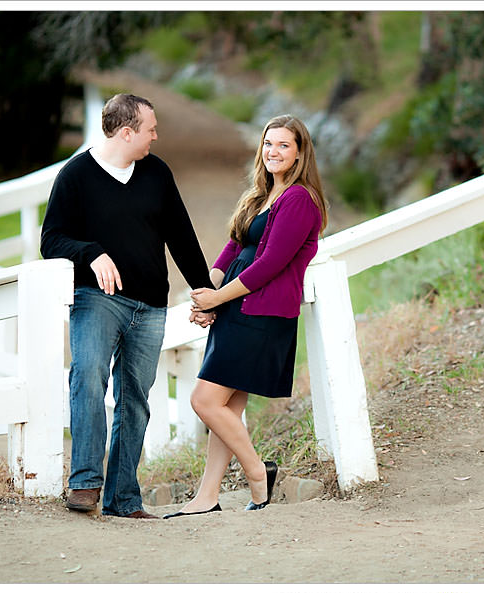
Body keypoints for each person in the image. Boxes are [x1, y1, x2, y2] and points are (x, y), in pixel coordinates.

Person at [40, 94, 212, 519]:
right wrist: (91, 252)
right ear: (126, 132)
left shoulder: (156, 172)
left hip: (150, 306)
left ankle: (123, 499)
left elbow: (182, 237)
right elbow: (51, 240)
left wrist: (204, 291)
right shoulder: (76, 175)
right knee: (88, 378)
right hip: (98, 300)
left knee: (135, 400)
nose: (156, 135)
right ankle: (84, 483)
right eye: (150, 129)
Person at [163, 114, 328, 518]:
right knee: (227, 408)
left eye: (284, 145)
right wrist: (208, 293)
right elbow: (231, 250)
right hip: (238, 307)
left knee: (205, 401)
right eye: (268, 143)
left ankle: (257, 473)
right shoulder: (260, 195)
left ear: (300, 152)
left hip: (263, 313)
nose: (273, 151)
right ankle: (208, 496)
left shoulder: (300, 200)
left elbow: (270, 263)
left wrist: (217, 298)